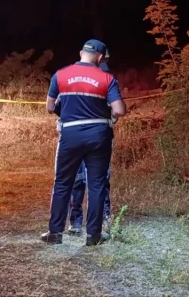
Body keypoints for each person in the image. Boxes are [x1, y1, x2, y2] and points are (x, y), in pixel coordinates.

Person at [42, 39, 126, 246]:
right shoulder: (107, 78)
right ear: (100, 58)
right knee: (96, 185)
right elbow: (120, 110)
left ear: (81, 53)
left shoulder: (60, 75)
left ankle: (55, 233)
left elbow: (50, 107)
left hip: (70, 134)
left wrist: (69, 114)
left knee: (62, 183)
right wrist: (108, 114)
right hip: (99, 135)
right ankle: (93, 236)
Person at [66, 49, 115, 236]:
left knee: (81, 180)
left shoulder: (73, 78)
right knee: (96, 180)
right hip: (97, 139)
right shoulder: (106, 79)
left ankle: (79, 222)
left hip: (77, 138)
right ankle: (97, 221)